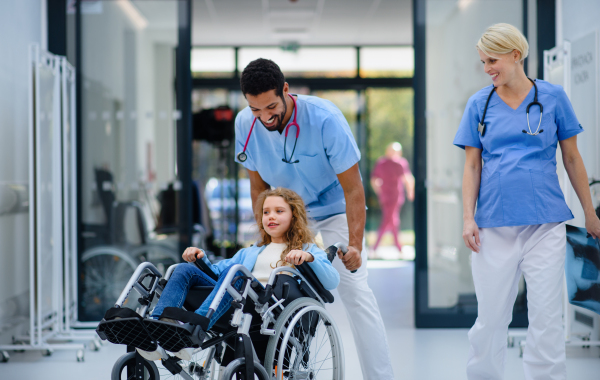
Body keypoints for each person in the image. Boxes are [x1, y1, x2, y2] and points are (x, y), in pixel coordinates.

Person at [454, 23, 600, 380]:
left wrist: (590, 213)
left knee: (547, 319)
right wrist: (467, 219)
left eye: (492, 60)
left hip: (544, 224)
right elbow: (472, 166)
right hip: (492, 226)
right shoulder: (479, 103)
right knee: (490, 319)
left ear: (515, 55)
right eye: (483, 62)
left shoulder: (552, 98)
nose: (487, 68)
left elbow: (572, 159)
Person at [235, 58, 394, 379]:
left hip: (334, 212)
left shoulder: (325, 119)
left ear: (285, 90)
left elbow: (354, 189)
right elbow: (258, 188)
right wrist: (267, 237)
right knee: (271, 288)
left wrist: (355, 246)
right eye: (256, 110)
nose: (265, 118)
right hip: (289, 215)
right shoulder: (244, 123)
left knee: (355, 290)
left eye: (271, 107)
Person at [137, 187, 340, 361]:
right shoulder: (250, 251)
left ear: (294, 216)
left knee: (237, 276)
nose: (271, 216)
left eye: (279, 211)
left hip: (266, 306)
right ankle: (157, 327)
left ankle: (193, 329)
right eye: (266, 212)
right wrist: (201, 258)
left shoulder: (308, 250)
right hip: (232, 299)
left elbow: (331, 280)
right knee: (183, 269)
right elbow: (218, 271)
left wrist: (308, 258)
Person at [371, 142, 415, 252]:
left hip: (396, 195)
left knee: (391, 219)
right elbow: (374, 179)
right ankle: (396, 246)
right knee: (391, 219)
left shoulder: (400, 163)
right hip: (385, 196)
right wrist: (379, 191)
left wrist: (410, 192)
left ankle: (380, 246)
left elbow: (408, 178)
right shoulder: (381, 163)